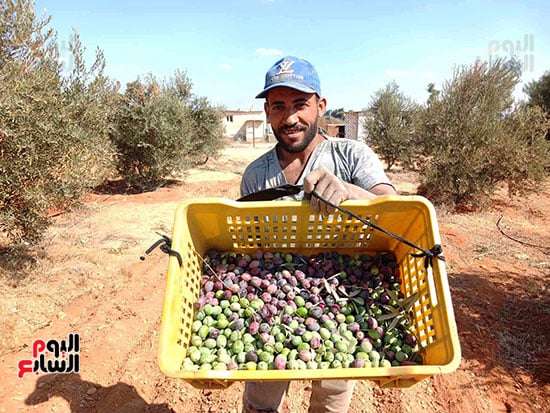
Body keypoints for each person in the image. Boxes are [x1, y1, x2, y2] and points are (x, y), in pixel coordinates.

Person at [239, 56, 396, 413]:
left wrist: (351, 191)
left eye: (300, 104)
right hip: (273, 303)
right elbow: (251, 247)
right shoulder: (256, 175)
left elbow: (393, 209)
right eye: (278, 106)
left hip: (345, 309)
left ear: (320, 107)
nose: (290, 117)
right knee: (259, 403)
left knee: (331, 402)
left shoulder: (352, 156)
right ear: (266, 112)